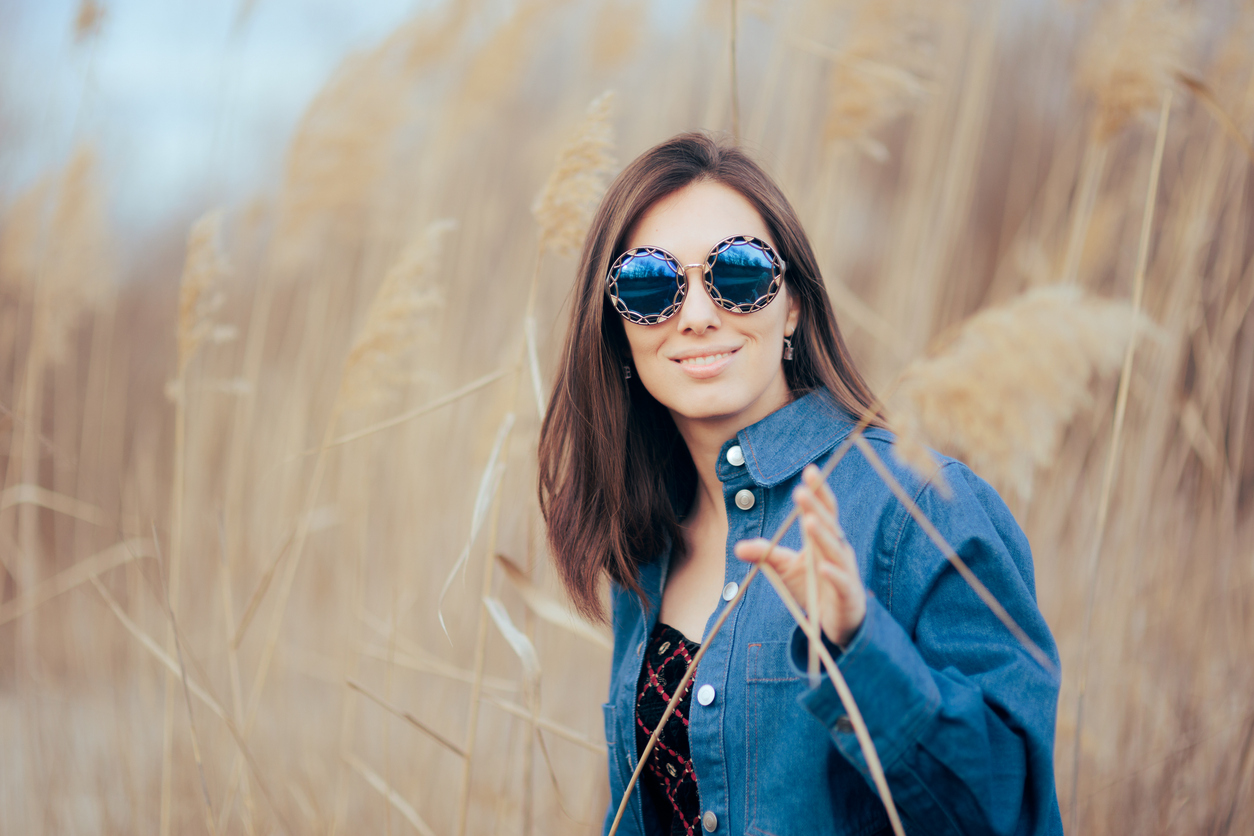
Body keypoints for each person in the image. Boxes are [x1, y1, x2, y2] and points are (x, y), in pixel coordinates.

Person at [537, 132, 1063, 836]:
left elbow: (1007, 809)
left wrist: (855, 642)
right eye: (650, 284)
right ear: (617, 327)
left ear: (792, 306)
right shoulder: (648, 541)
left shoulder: (917, 505)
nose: (697, 314)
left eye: (739, 275)